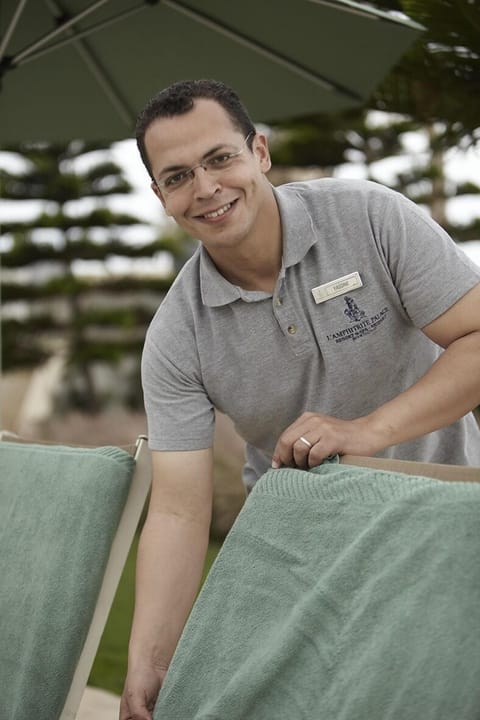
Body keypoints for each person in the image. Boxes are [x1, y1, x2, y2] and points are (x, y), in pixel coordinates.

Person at [120, 78, 480, 719]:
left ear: (259, 152)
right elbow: (178, 512)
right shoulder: (177, 337)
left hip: (449, 517)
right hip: (303, 555)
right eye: (177, 176)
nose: (205, 188)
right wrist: (148, 664)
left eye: (219, 158)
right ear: (160, 197)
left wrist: (367, 431)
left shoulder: (368, 216)